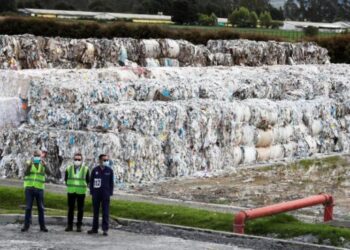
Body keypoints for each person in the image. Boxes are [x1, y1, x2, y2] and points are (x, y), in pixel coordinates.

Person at [21, 149, 48, 232]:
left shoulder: (43, 164)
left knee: (41, 208)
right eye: (35, 156)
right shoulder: (28, 162)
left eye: (38, 156)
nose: (37, 157)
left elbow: (51, 173)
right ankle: (26, 226)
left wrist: (45, 166)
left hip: (39, 188)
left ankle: (42, 226)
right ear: (33, 155)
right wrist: (30, 165)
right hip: (29, 188)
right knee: (28, 208)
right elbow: (25, 173)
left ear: (41, 156)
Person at [88, 154, 114, 236]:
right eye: (104, 160)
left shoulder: (109, 171)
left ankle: (105, 229)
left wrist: (110, 192)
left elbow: (111, 183)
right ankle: (94, 228)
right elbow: (91, 182)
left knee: (105, 212)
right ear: (100, 160)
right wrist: (92, 191)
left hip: (105, 194)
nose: (106, 161)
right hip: (96, 194)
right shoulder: (95, 170)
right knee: (95, 212)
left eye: (107, 160)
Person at [64, 153, 90, 232]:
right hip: (71, 191)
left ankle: (79, 226)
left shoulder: (85, 169)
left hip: (81, 192)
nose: (77, 161)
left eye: (79, 159)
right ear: (73, 160)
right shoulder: (68, 168)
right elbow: (66, 179)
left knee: (80, 209)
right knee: (70, 209)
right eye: (76, 159)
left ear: (82, 160)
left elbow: (88, 180)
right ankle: (70, 225)